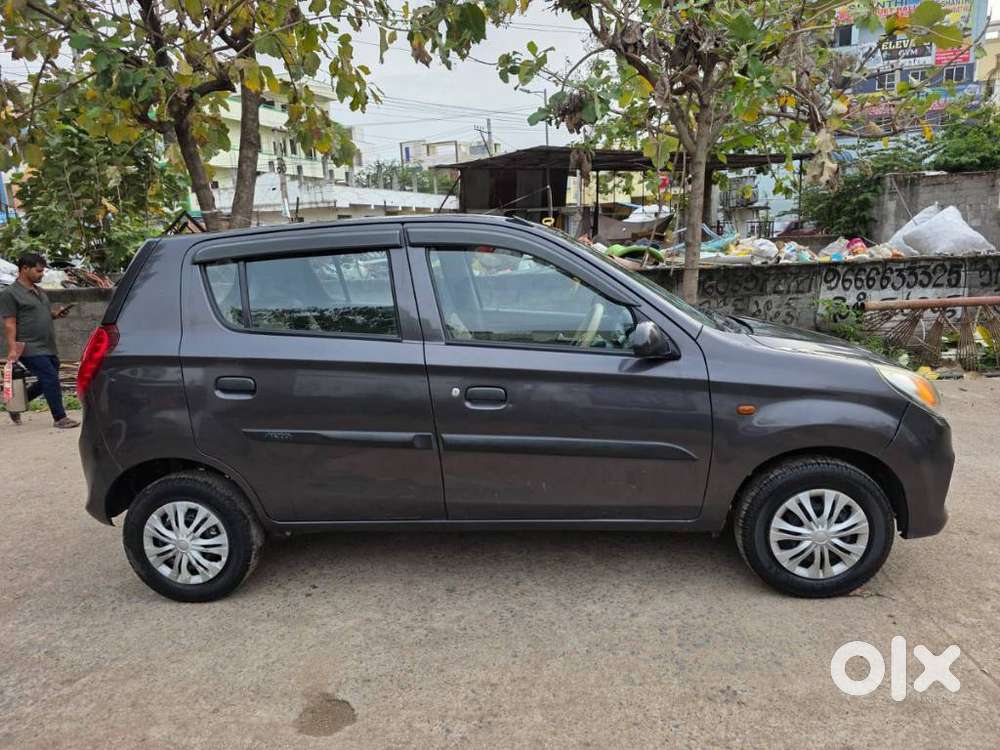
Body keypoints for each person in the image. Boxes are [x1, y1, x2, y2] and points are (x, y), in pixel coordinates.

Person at [1, 253, 78, 428]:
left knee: (48, 378)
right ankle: (60, 418)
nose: (42, 274)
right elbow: (10, 323)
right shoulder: (10, 294)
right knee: (49, 377)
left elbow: (38, 314)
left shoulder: (39, 291)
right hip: (28, 346)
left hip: (47, 345)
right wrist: (13, 349)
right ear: (24, 269)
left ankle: (17, 403)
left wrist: (55, 315)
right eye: (38, 271)